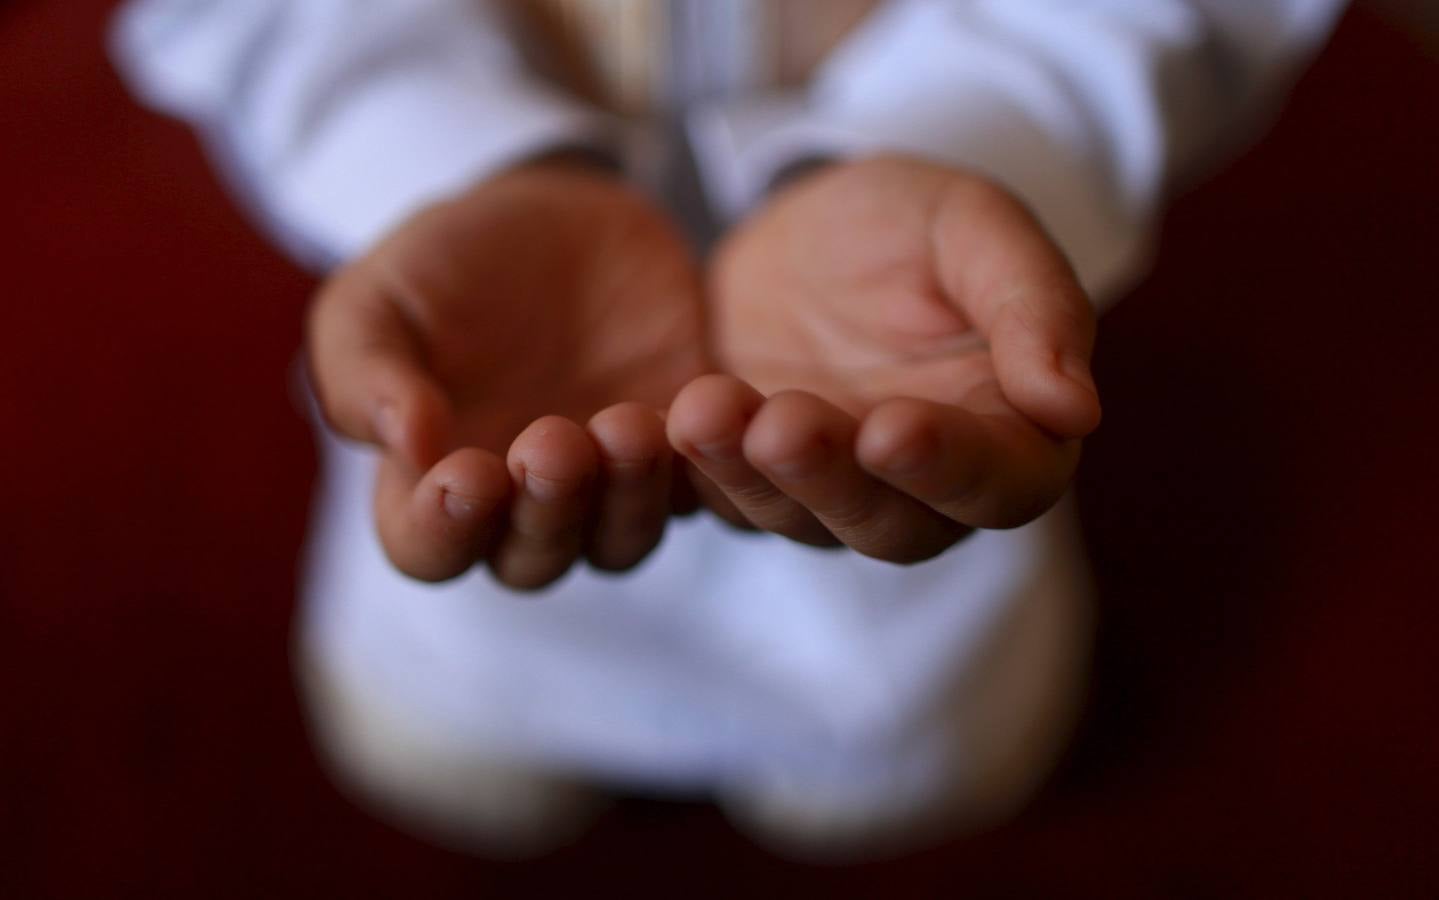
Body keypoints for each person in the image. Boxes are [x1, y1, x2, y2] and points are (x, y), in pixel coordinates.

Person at [112, 0, 1344, 861]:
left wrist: (949, 132)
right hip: (479, 410)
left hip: (913, 418)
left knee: (909, 737)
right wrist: (462, 161)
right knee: (458, 744)